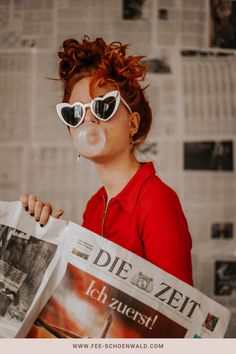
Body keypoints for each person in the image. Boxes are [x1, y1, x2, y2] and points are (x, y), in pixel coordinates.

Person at [20, 35, 193, 286]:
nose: (88, 121)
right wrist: (45, 236)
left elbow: (180, 320)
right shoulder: (94, 206)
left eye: (103, 107)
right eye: (75, 113)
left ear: (132, 124)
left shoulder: (156, 200)